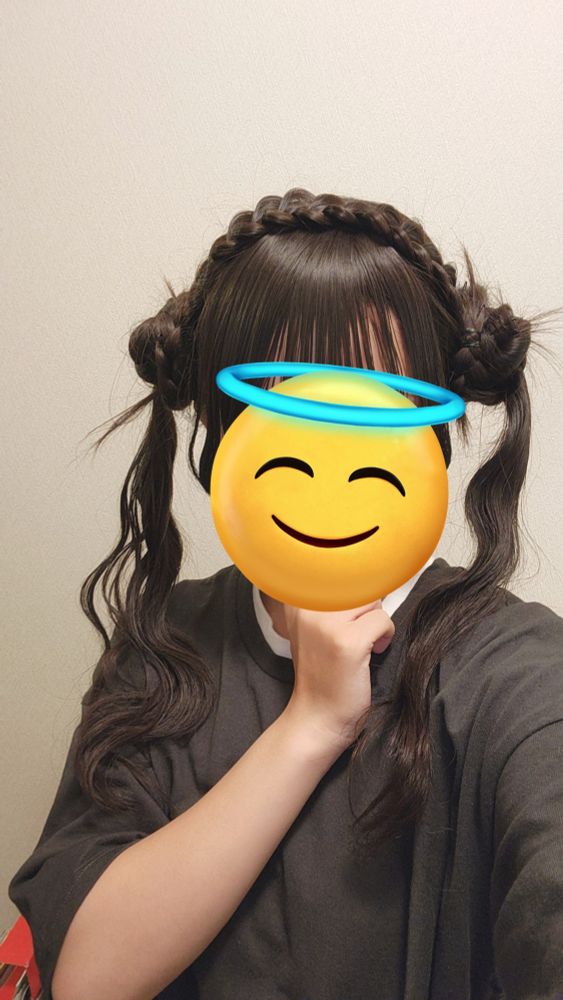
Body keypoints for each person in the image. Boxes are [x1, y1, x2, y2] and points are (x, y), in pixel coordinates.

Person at [8, 187, 563, 1000]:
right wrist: (312, 723)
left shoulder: (513, 664)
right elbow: (90, 976)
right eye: (286, 393)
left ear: (432, 427)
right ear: (220, 425)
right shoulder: (166, 643)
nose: (325, 445)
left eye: (369, 397)